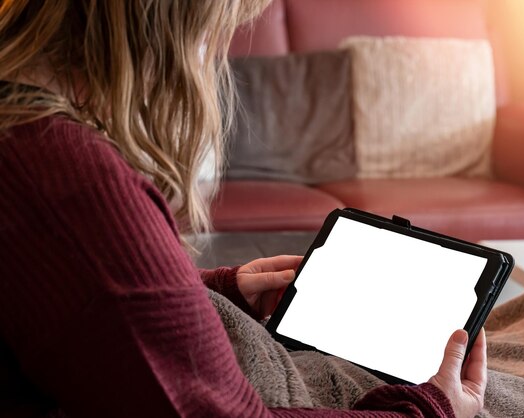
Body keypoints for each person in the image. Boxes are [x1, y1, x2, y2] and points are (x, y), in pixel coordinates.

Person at [0, 1, 487, 417]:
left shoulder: (21, 129)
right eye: (218, 28)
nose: (214, 53)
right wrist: (429, 408)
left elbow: (88, 307)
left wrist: (212, 291)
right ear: (168, 24)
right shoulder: (73, 184)